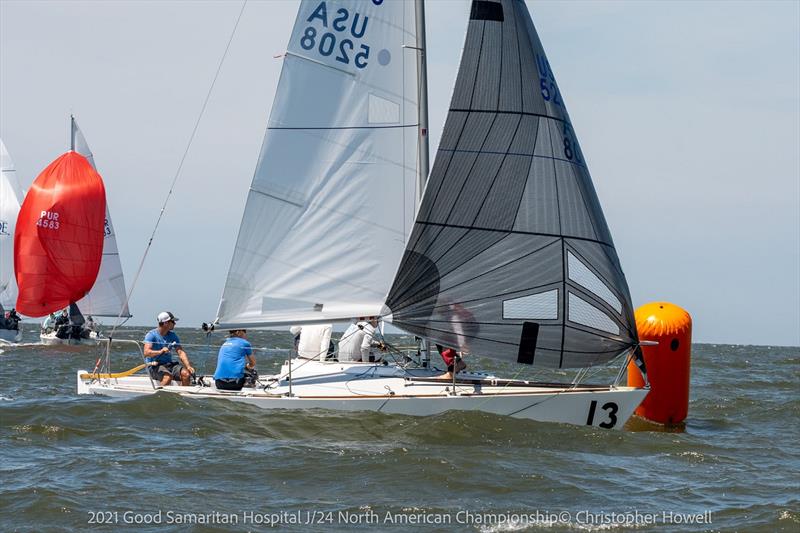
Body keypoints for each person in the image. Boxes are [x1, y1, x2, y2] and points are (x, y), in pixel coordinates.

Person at [143, 311, 195, 386]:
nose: (175, 323)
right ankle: (159, 396)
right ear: (166, 323)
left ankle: (182, 396)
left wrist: (188, 366)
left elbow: (180, 352)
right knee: (167, 377)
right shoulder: (151, 335)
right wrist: (160, 351)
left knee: (186, 374)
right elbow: (146, 352)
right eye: (173, 322)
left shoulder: (173, 336)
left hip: (169, 365)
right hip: (154, 366)